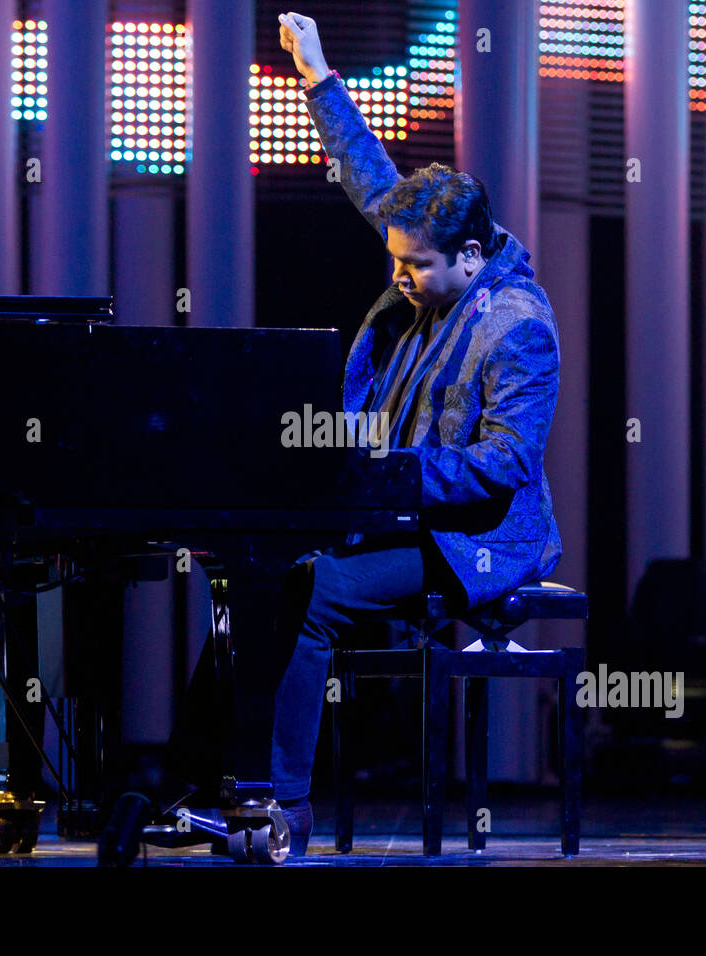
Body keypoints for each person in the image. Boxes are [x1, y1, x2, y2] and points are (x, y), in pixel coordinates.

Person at [266, 12, 564, 856]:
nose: (398, 275)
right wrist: (317, 70)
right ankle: (211, 780)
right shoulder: (431, 267)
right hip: (401, 514)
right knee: (257, 578)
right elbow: (371, 180)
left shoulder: (518, 324)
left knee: (312, 595)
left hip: (478, 537)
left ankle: (284, 804)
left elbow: (505, 463)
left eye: (415, 265)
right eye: (395, 260)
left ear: (469, 255)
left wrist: (391, 476)